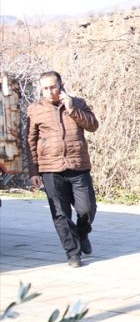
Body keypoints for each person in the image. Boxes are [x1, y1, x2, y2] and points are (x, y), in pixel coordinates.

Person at [27, 71, 99, 267]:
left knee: (87, 209)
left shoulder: (78, 103)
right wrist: (34, 172)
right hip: (50, 169)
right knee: (60, 214)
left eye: (53, 87)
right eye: (45, 89)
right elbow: (31, 141)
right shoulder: (35, 110)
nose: (50, 92)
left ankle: (82, 232)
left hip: (78, 166)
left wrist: (72, 109)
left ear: (61, 85)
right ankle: (72, 253)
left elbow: (93, 125)